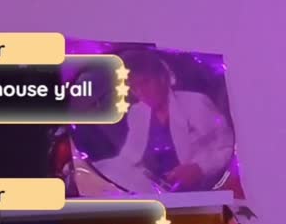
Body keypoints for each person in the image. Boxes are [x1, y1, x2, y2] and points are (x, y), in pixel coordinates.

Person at [91, 49, 237, 195]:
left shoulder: (196, 103)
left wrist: (200, 168)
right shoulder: (137, 112)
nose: (141, 92)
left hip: (196, 190)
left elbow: (227, 147)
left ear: (163, 77)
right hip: (149, 187)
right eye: (134, 87)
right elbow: (129, 158)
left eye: (145, 82)